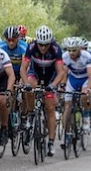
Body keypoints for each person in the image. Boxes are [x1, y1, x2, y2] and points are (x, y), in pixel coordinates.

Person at [20, 25, 66, 157]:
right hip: (35, 73)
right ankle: (30, 114)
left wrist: (54, 85)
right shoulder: (31, 47)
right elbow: (23, 68)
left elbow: (61, 72)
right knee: (29, 88)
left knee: (50, 108)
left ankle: (51, 142)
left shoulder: (56, 49)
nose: (43, 48)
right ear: (37, 42)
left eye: (46, 45)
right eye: (41, 44)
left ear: (50, 42)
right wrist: (26, 83)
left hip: (50, 77)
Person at [60, 37, 91, 148]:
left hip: (85, 79)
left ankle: (86, 117)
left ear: (79, 49)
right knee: (67, 106)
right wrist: (62, 85)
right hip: (73, 79)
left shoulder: (87, 56)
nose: (71, 53)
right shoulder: (65, 56)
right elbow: (63, 73)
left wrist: (88, 88)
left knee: (84, 96)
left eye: (74, 50)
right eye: (69, 50)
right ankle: (66, 134)